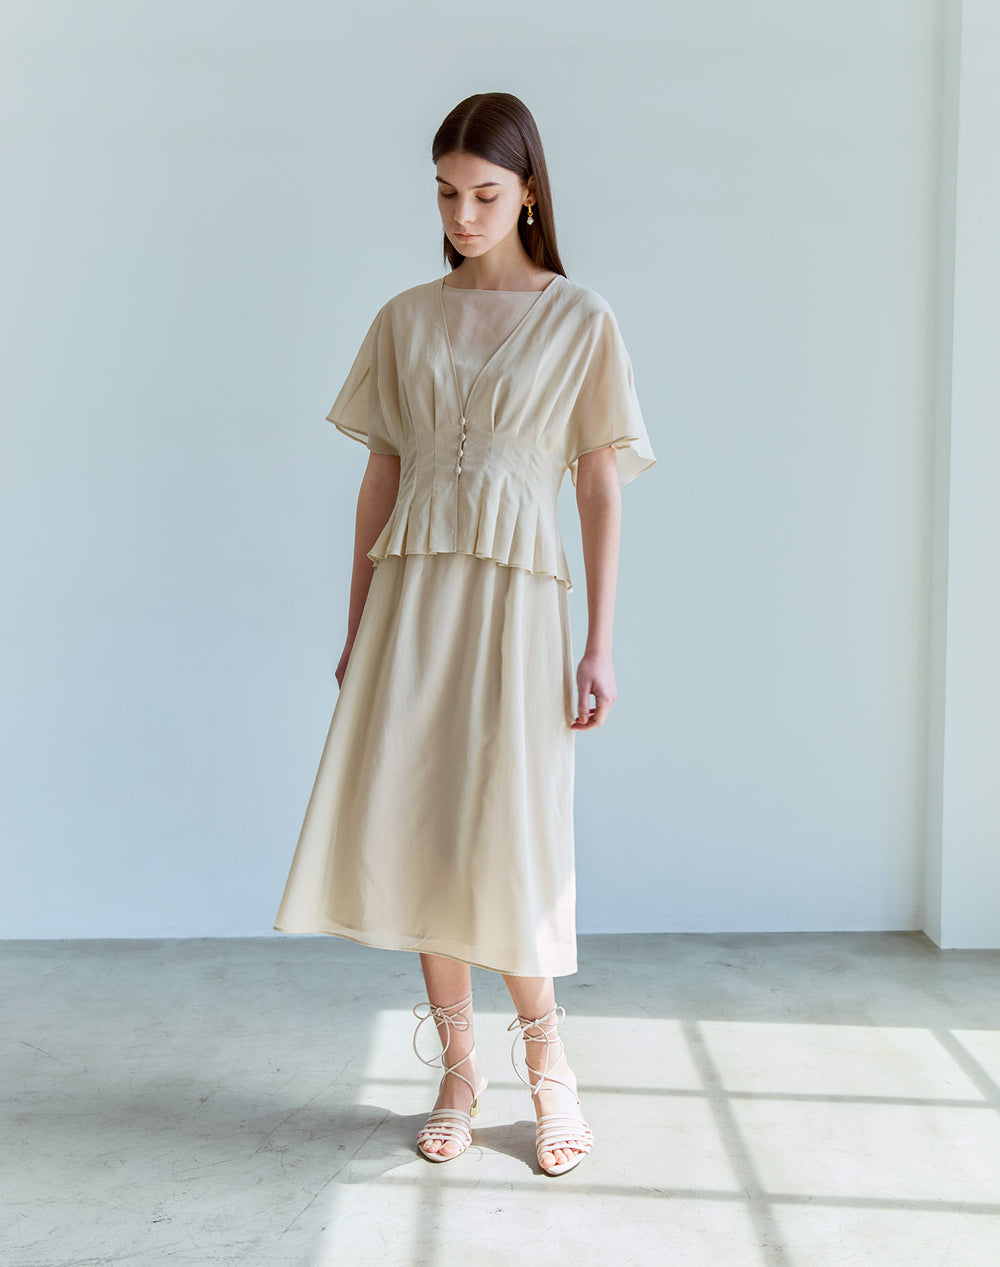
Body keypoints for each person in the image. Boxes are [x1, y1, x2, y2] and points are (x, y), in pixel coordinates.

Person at [273, 92, 656, 1176]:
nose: (462, 215)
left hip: (520, 605)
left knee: (512, 828)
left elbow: (598, 487)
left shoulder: (581, 319)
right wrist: (357, 626)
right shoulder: (404, 318)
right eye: (446, 194)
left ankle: (548, 1068)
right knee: (422, 822)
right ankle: (457, 1070)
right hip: (412, 600)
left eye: (485, 194)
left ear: (529, 193)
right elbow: (379, 480)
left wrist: (600, 643)